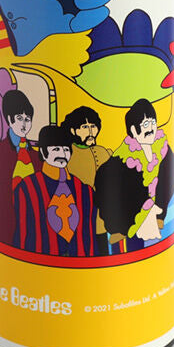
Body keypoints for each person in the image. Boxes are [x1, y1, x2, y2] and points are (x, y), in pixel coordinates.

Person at [98, 98, 174, 252]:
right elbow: (109, 187)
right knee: (134, 249)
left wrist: (159, 209)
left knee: (155, 250)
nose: (151, 128)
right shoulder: (122, 159)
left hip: (159, 217)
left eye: (153, 122)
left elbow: (169, 178)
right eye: (145, 124)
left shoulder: (163, 148)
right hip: (132, 221)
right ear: (133, 130)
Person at [13, 125, 98, 257]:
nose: (62, 155)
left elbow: (90, 236)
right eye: (56, 149)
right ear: (43, 152)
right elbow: (22, 235)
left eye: (66, 149)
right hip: (39, 264)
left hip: (79, 262)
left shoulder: (85, 191)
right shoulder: (27, 188)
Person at [0, 89, 41, 245]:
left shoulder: (36, 155)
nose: (24, 124)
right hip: (5, 221)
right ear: (9, 119)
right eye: (19, 118)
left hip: (32, 223)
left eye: (28, 119)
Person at [63, 106, 111, 255]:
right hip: (77, 222)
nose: (90, 132)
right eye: (84, 127)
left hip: (102, 223)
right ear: (73, 131)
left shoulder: (103, 152)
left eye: (93, 126)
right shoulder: (67, 155)